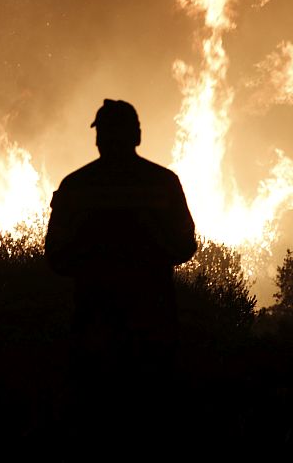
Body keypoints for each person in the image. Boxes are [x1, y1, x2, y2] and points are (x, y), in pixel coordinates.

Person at [44, 99, 196, 445]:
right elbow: (185, 247)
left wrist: (91, 252)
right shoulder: (163, 183)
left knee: (95, 428)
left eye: (109, 133)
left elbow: (56, 257)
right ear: (138, 136)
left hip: (97, 329)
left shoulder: (77, 186)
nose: (106, 141)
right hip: (152, 327)